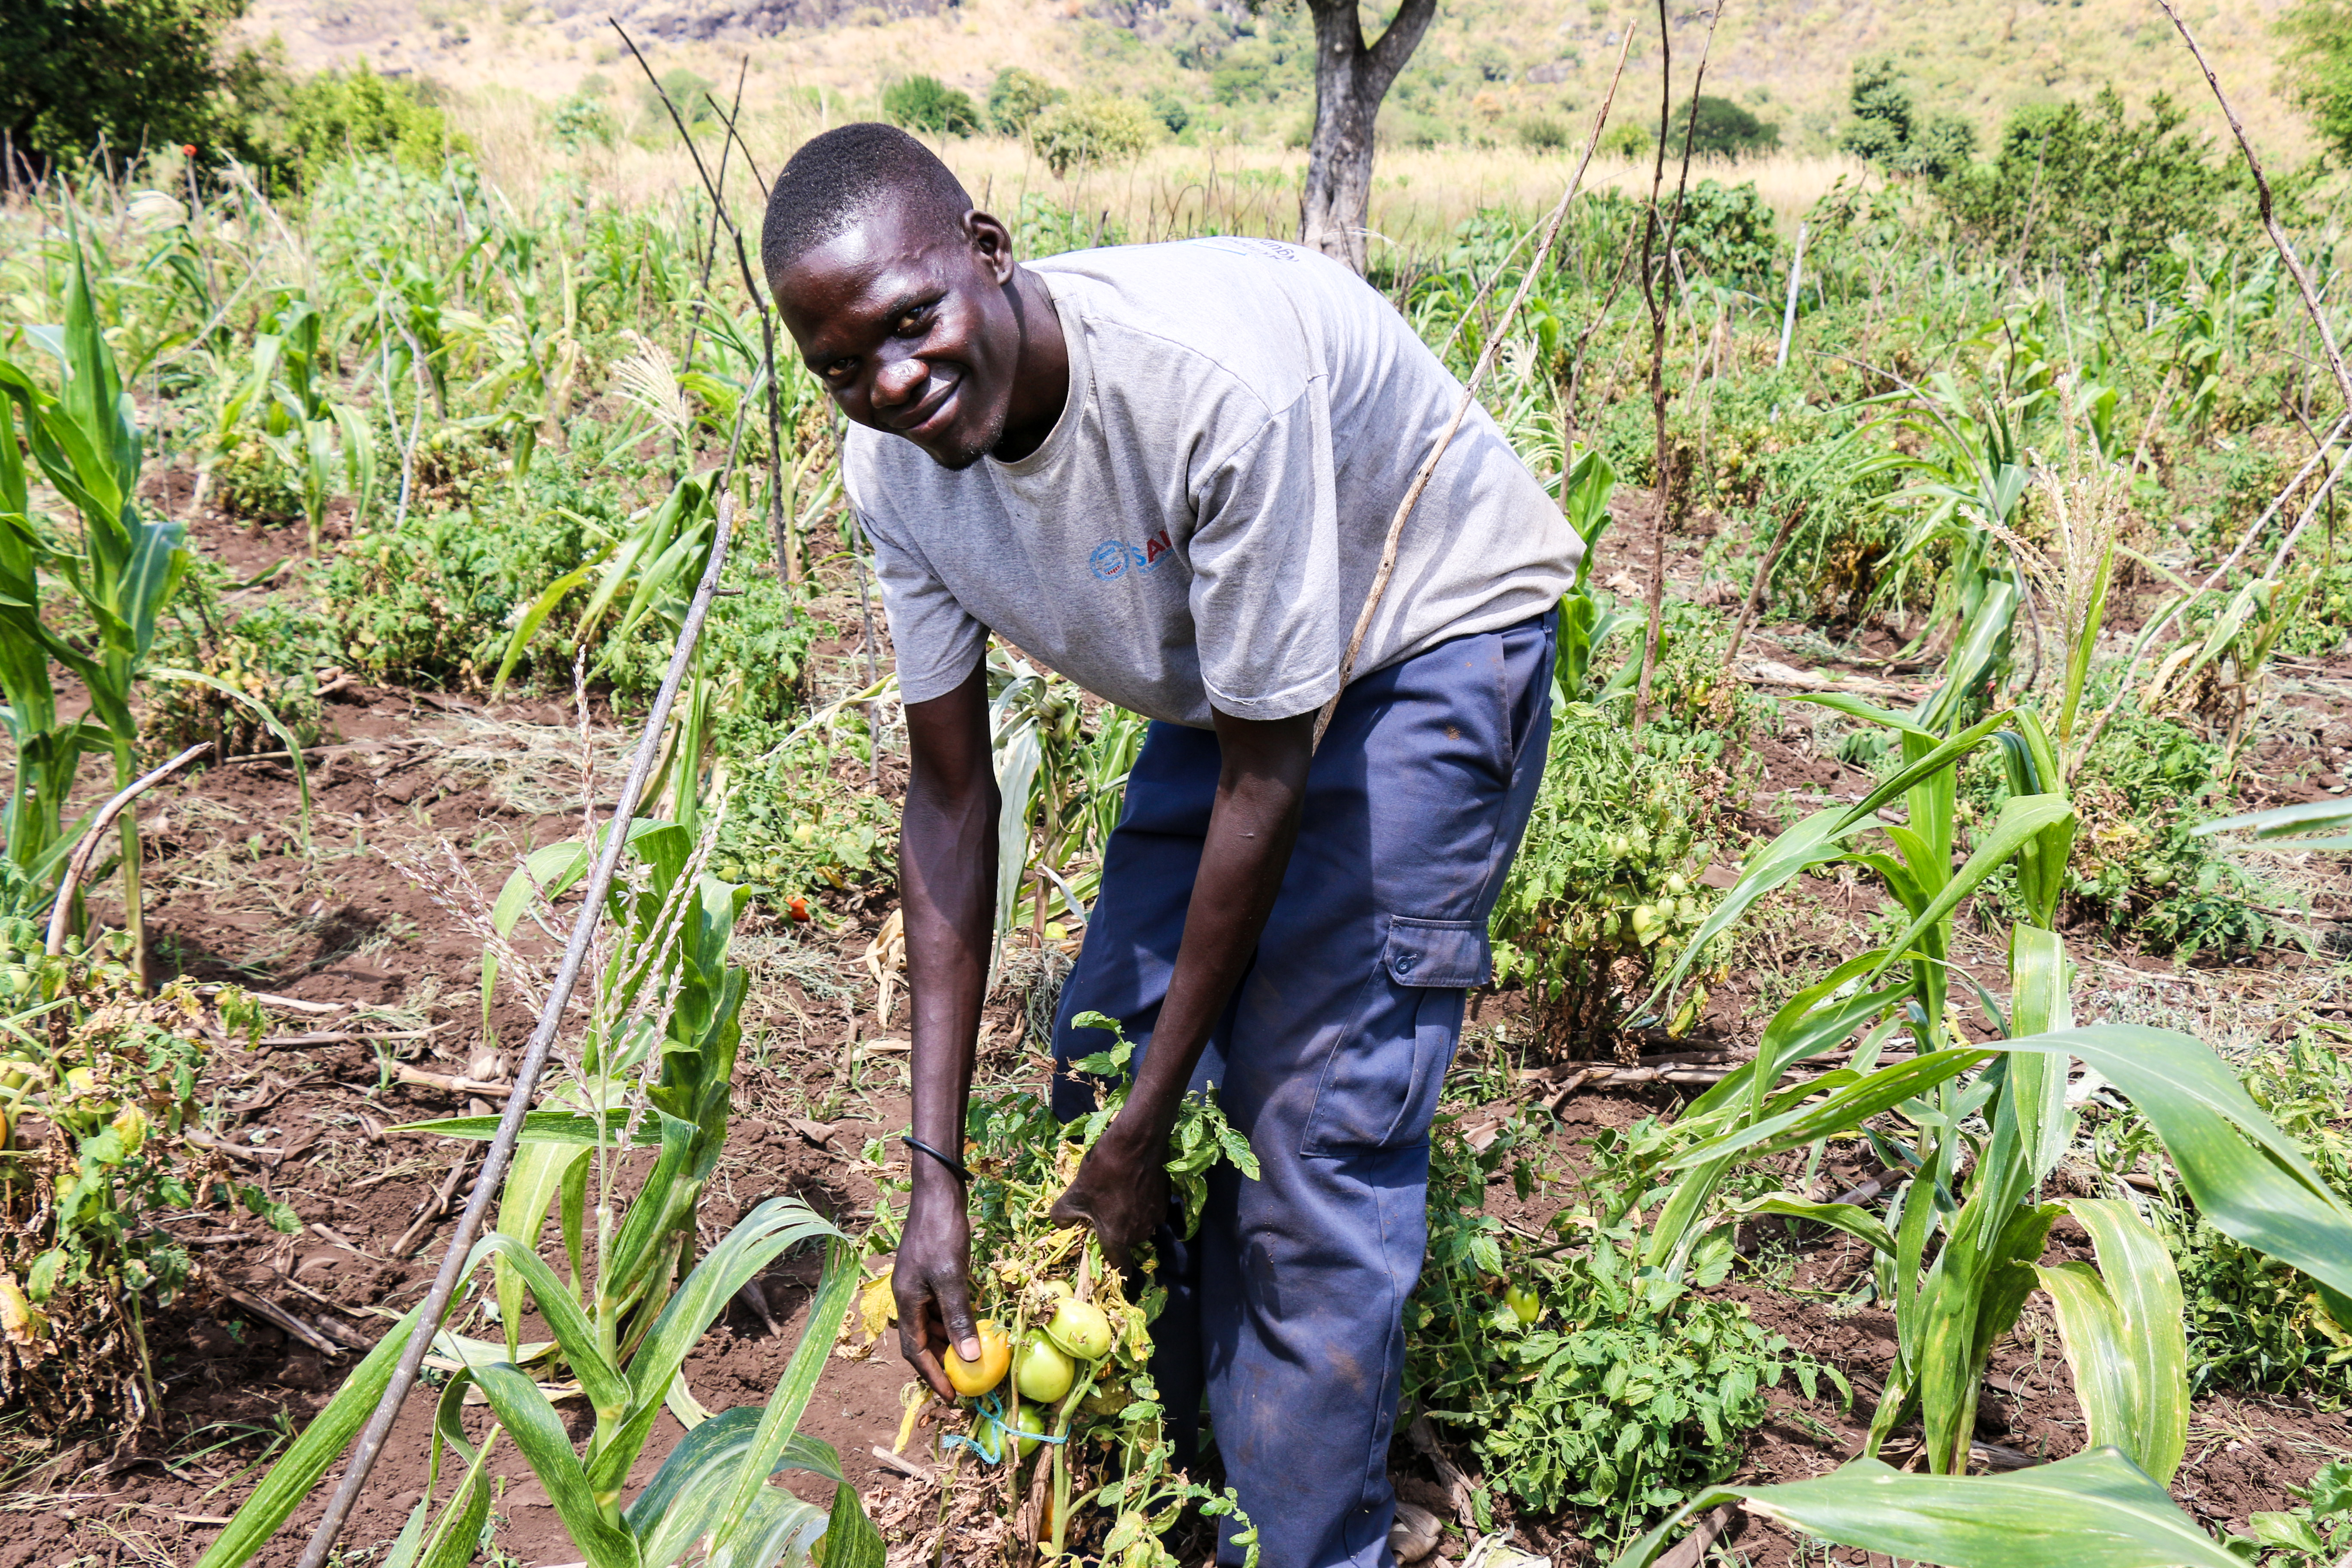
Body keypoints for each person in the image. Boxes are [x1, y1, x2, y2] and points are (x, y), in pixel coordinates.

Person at [761, 122, 1579, 1568]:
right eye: (842, 367)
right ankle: (1188, 1498)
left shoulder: (1207, 392)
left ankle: (1305, 1546)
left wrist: (1157, 1133)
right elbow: (951, 802)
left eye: (912, 322)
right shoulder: (896, 473)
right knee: (1104, 1053)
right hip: (1240, 671)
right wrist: (933, 1174)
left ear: (988, 253)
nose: (890, 383)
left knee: (1306, 1136)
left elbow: (1274, 777)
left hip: (1425, 627)